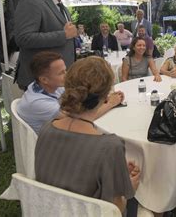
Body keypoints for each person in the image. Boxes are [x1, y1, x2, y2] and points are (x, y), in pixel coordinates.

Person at [35, 56, 138, 214]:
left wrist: (115, 171)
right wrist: (130, 186)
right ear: (105, 97)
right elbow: (115, 210)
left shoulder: (46, 129)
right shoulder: (110, 147)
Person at [14, 0, 77, 89]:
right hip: (39, 83)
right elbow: (23, 38)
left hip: (58, 83)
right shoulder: (32, 2)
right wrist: (63, 35)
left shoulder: (63, 8)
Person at [17, 51, 66, 134]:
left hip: (52, 129)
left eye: (65, 70)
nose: (67, 75)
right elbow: (75, 118)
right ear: (44, 79)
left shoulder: (42, 85)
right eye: (61, 73)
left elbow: (72, 92)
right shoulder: (38, 103)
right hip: (46, 142)